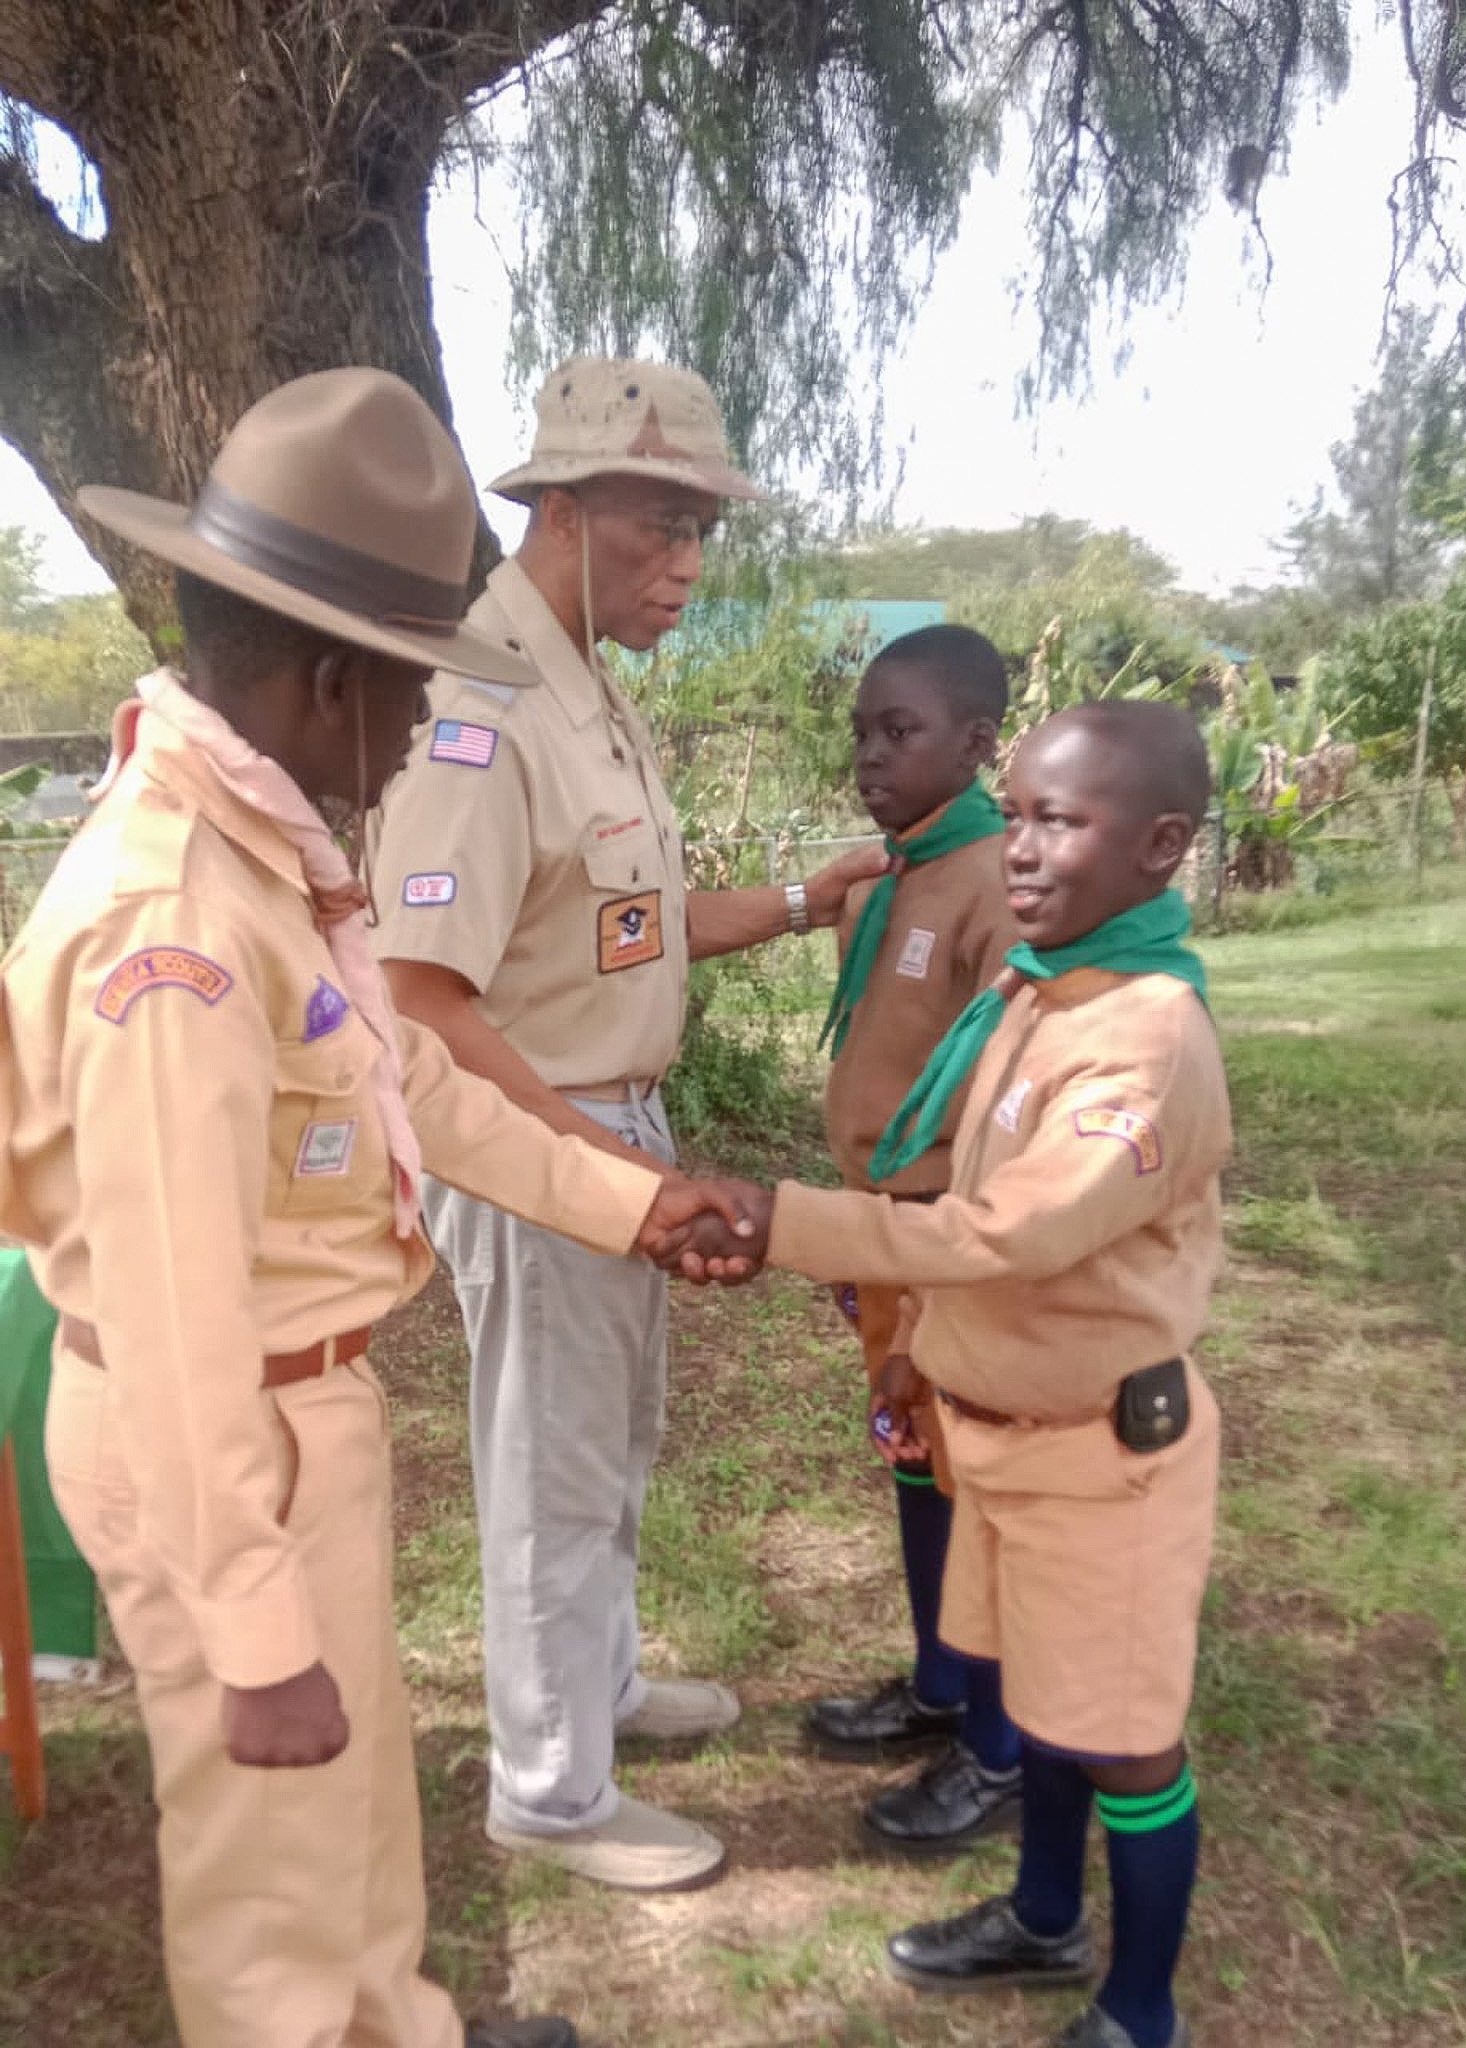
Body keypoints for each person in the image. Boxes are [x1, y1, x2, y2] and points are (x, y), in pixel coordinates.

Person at [0, 367, 751, 2048]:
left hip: (295, 1415)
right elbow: (174, 1316)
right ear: (333, 676)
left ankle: (397, 2021)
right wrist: (251, 1626)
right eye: (413, 684)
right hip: (223, 1444)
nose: (423, 726)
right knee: (269, 1881)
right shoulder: (174, 927)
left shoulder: (261, 852)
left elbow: (416, 1076)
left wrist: (629, 1202)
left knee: (351, 1805)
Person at [368, 356, 884, 1892]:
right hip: (542, 1143)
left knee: (611, 1444)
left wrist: (803, 901)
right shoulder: (478, 709)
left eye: (701, 527)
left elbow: (630, 927)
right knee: (554, 1470)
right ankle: (549, 1790)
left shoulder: (582, 690)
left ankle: (597, 1693)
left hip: (612, 1124)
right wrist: (605, 1173)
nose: (691, 562)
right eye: (663, 523)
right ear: (564, 511)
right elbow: (421, 998)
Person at [674, 700, 1230, 2048]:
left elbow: (1008, 1229)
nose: (1022, 848)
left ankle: (1140, 2011)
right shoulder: (1040, 988)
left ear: (1161, 845)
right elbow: (961, 1174)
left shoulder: (1144, 1036)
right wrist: (918, 1351)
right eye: (1019, 813)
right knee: (1044, 1699)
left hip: (1100, 1456)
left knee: (1124, 1736)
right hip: (1005, 1426)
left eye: (1062, 821)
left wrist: (782, 1220)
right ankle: (1044, 1917)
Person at [805, 623, 1026, 1854]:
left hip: (946, 1232)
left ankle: (998, 1744)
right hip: (880, 1227)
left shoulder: (998, 880)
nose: (871, 756)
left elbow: (1001, 1094)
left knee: (972, 1477)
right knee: (912, 1447)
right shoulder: (882, 877)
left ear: (978, 741)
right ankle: (941, 1682)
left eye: (901, 732)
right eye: (861, 733)